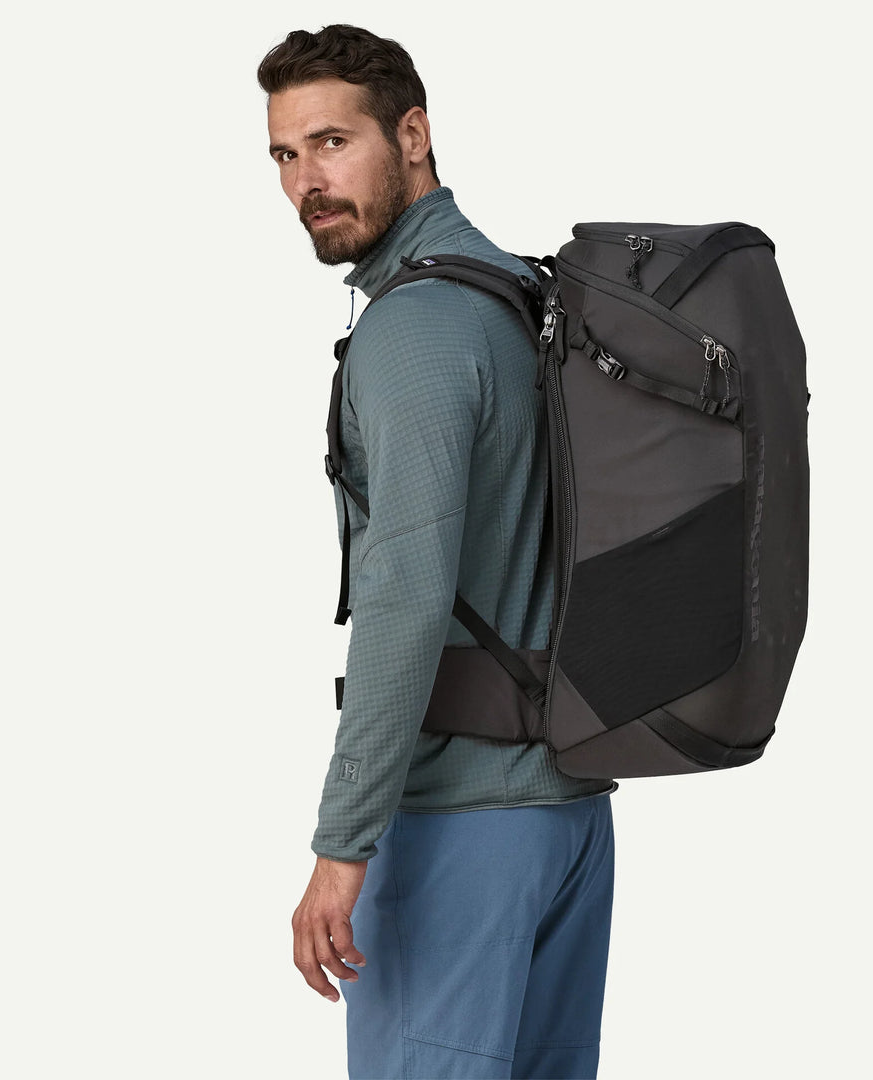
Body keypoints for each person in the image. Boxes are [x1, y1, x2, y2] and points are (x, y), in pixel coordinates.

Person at [258, 25, 618, 1079]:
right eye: (284, 155)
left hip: (461, 823)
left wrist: (343, 844)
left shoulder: (415, 329)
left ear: (412, 135)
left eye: (333, 143)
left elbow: (407, 598)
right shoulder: (523, 298)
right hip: (568, 819)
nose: (306, 183)